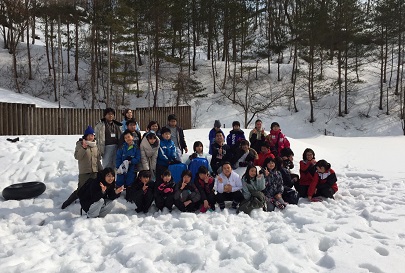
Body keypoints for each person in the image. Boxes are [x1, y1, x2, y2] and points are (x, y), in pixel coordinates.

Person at [62, 125, 103, 209]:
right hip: (85, 172)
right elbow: (77, 156)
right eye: (89, 135)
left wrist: (101, 170)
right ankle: (67, 202)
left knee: (94, 188)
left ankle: (91, 203)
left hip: (94, 171)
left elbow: (98, 159)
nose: (91, 137)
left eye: (92, 135)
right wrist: (83, 148)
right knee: (80, 189)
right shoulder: (80, 144)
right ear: (86, 136)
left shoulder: (95, 145)